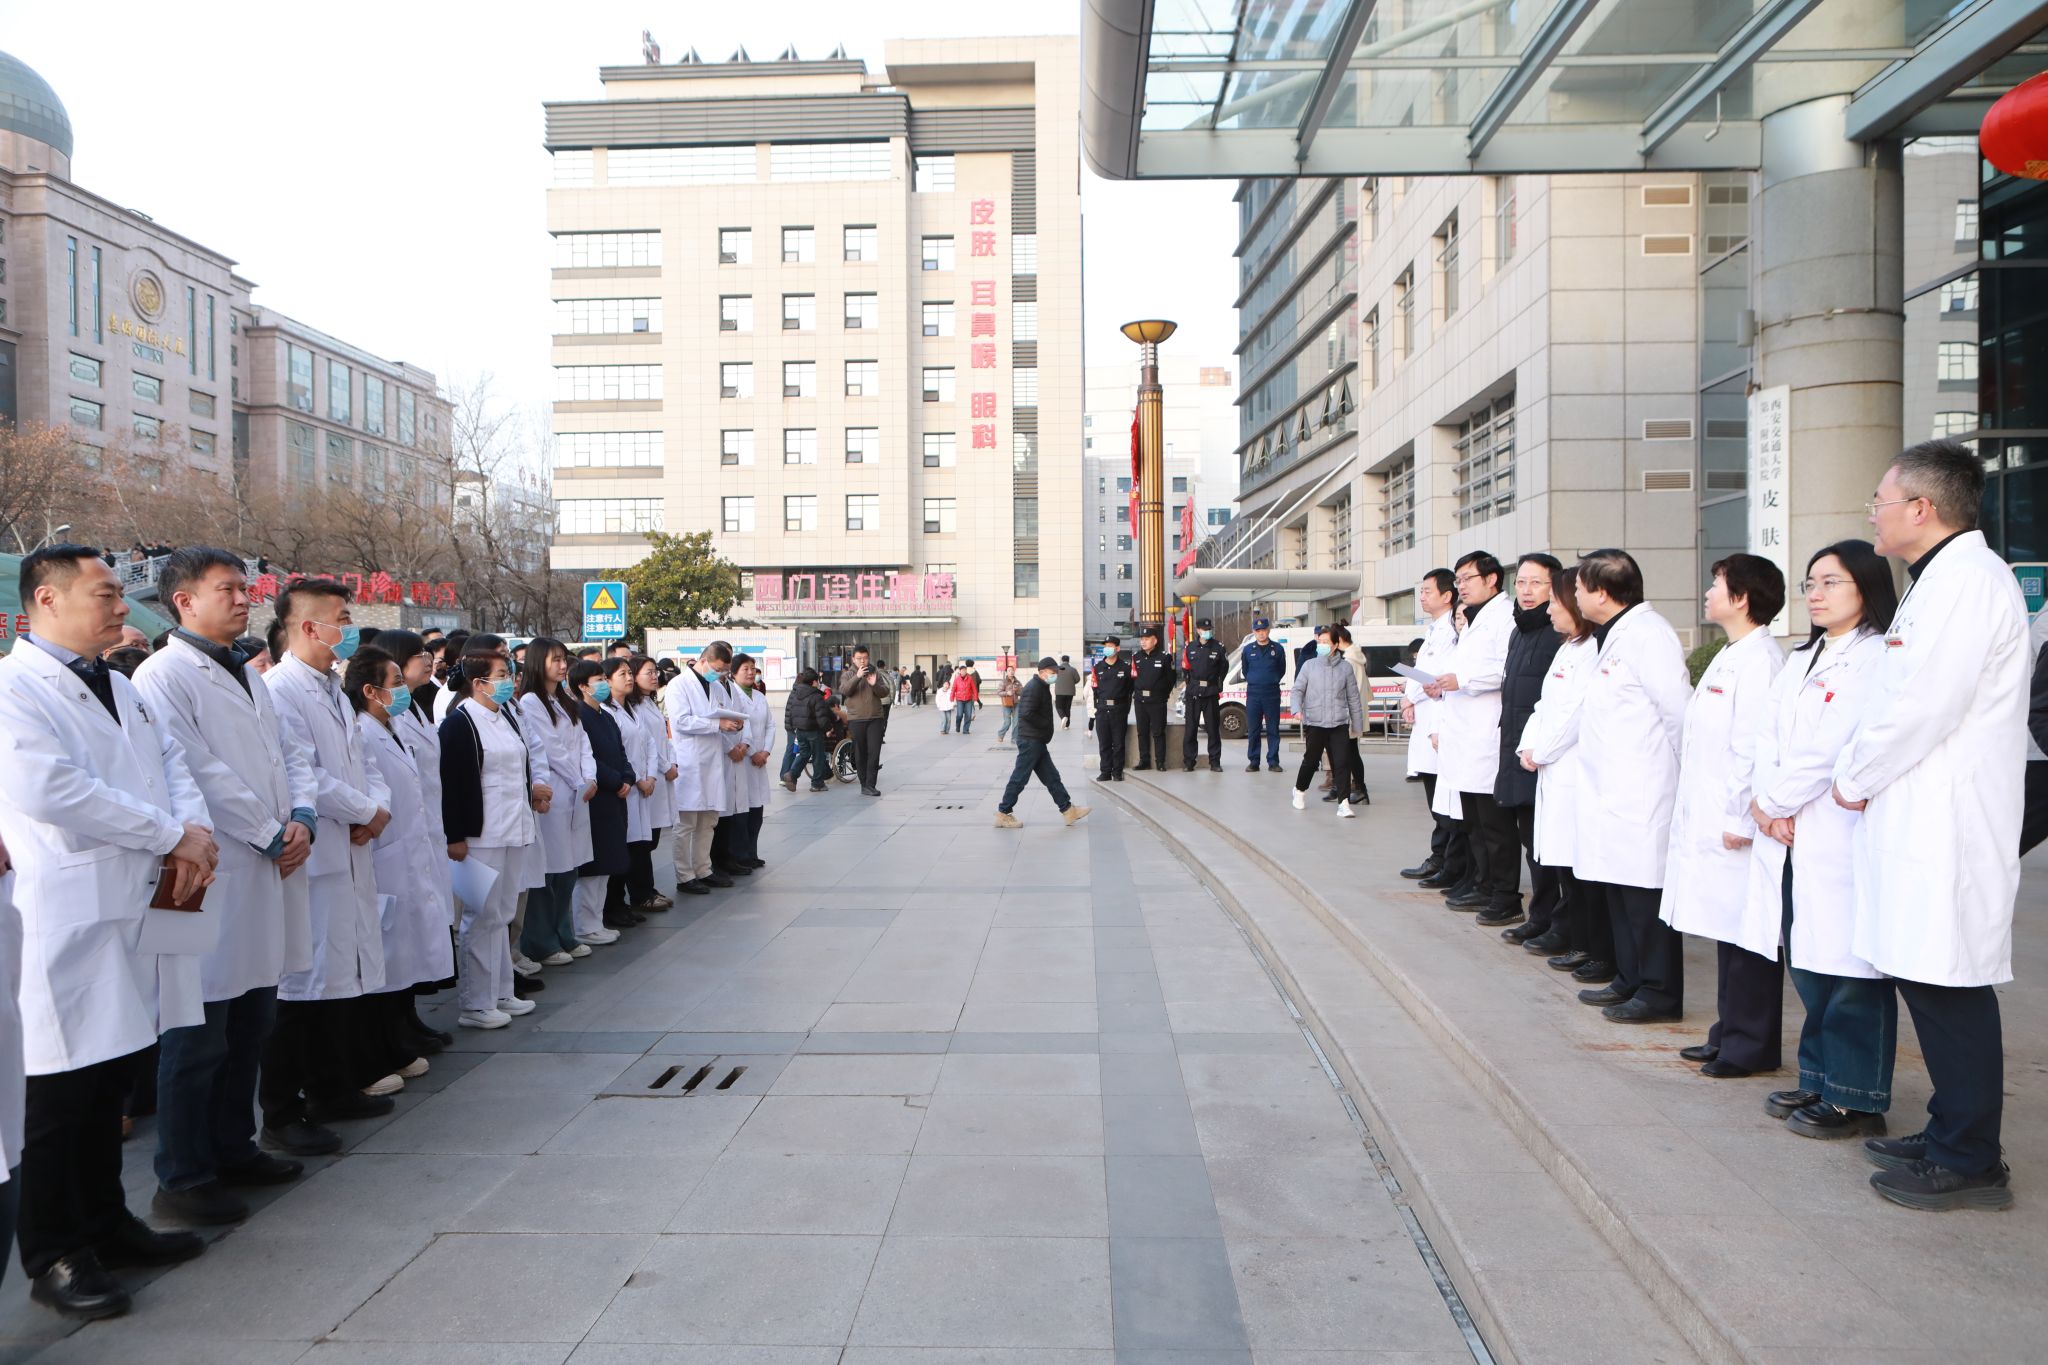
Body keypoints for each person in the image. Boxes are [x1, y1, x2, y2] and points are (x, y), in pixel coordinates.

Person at [0, 546, 218, 1318]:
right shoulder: (14, 688)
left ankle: (105, 1221)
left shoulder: (121, 684)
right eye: (105, 593)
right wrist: (168, 832)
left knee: (109, 1081)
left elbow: (172, 764)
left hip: (131, 905)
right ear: (47, 599)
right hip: (64, 914)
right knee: (57, 1096)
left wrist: (192, 828)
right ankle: (53, 1253)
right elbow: (51, 789)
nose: (123, 607)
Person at [1833, 440, 2027, 1210]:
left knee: (1950, 980)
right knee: (1927, 971)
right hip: (1919, 813)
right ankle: (1952, 1125)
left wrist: (1853, 778)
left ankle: (1970, 1156)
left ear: (1922, 508)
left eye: (1880, 502)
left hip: (1948, 821)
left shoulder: (1969, 582)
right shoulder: (1940, 580)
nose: (1872, 516)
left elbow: (1921, 706)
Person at [134, 549, 320, 1229]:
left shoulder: (246, 671)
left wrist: (302, 815)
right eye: (228, 589)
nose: (245, 598)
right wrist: (270, 831)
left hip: (265, 866)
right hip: (212, 870)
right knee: (197, 1034)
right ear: (184, 600)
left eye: (245, 588)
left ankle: (234, 1147)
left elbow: (287, 752)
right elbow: (197, 770)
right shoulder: (162, 675)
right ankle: (183, 1175)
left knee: (250, 1021)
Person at [1746, 542, 1898, 1136]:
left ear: (1866, 586)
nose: (1815, 593)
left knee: (1852, 974)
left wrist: (1773, 804)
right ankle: (1818, 1077)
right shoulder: (1803, 656)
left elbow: (1831, 747)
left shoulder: (1875, 656)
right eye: (1811, 583)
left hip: (1838, 830)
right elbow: (1767, 737)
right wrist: (1766, 805)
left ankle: (1857, 1097)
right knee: (1810, 964)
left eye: (1831, 582)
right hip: (1790, 828)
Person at [262, 580, 396, 1146]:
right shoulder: (279, 690)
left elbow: (365, 762)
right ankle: (282, 1111)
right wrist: (365, 809)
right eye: (341, 618)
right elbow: (303, 773)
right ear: (308, 627)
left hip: (351, 845)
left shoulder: (332, 689)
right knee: (302, 987)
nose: (348, 627)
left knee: (341, 977)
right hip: (316, 854)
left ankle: (332, 1086)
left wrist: (378, 808)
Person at [1661, 554, 1788, 1076]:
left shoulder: (1762, 662)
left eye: (1717, 584)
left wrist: (1739, 818)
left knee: (1750, 934)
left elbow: (1752, 749)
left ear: (1742, 598)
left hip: (1739, 822)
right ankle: (1727, 1032)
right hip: (1712, 814)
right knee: (1725, 929)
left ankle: (1750, 1046)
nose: (1710, 592)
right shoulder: (1730, 653)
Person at [1570, 549, 1693, 1025]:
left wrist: (1688, 777)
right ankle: (1630, 977)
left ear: (1602, 593)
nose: (1575, 595)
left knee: (1644, 897)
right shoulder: (1615, 636)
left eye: (1580, 587)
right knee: (1619, 892)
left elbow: (1678, 713)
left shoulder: (1650, 635)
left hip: (1643, 790)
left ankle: (1660, 992)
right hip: (1611, 790)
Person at [341, 648, 444, 1091]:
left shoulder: (392, 726)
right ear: (371, 690)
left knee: (403, 956)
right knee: (383, 960)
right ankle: (383, 1047)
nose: (403, 690)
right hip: (382, 857)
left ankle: (399, 1037)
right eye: (396, 682)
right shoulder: (362, 731)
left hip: (408, 853)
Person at [438, 639, 544, 1030]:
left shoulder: (506, 716)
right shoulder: (460, 722)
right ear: (478, 682)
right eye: (501, 675)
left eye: (509, 674)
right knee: (480, 917)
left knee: (501, 914)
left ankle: (501, 991)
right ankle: (475, 1003)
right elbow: (451, 783)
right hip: (480, 836)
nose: (509, 681)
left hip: (513, 828)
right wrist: (455, 835)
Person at [377, 630, 459, 1049]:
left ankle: (410, 1018)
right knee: (400, 939)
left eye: (427, 653)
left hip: (426, 831)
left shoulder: (414, 708)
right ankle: (396, 1025)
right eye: (416, 655)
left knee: (420, 935)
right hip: (399, 839)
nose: (427, 660)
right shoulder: (384, 717)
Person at [1516, 566, 1601, 968]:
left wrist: (1542, 751)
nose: (1549, 610)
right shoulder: (1568, 647)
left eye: (1555, 601)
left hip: (1571, 768)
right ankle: (1577, 939)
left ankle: (1586, 943)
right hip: (1551, 767)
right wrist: (1528, 746)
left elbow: (1576, 714)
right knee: (1562, 862)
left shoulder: (1593, 650)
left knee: (1579, 868)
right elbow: (1543, 705)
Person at [1427, 552, 1517, 917]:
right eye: (1459, 579)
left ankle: (1504, 894)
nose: (1461, 586)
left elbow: (1505, 670)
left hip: (1485, 735)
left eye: (1467, 578)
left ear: (1491, 579)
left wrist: (1462, 680)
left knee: (1494, 825)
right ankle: (1482, 884)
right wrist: (1443, 685)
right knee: (1474, 823)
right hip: (1464, 734)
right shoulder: (1473, 620)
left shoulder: (1504, 617)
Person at [1488, 555, 1565, 934]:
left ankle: (1549, 919)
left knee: (1545, 843)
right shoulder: (1519, 632)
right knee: (1527, 838)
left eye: (1537, 583)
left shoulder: (1558, 634)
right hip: (1515, 749)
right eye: (1521, 582)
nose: (1527, 591)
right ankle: (1540, 915)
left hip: (1543, 754)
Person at [517, 639, 597, 969]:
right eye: (555, 660)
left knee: (569, 870)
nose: (563, 666)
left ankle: (565, 932)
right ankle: (541, 941)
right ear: (539, 662)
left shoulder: (564, 699)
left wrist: (589, 777)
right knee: (548, 872)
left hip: (576, 792)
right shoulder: (531, 702)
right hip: (555, 792)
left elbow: (583, 743)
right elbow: (549, 748)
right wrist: (579, 780)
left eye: (564, 659)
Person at [667, 642, 747, 892]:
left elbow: (725, 714)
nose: (720, 674)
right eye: (717, 669)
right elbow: (681, 721)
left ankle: (703, 868)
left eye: (724, 671)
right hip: (690, 762)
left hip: (713, 762)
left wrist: (733, 725)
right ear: (703, 661)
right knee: (686, 823)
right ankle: (685, 875)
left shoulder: (715, 686)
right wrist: (717, 725)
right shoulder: (678, 685)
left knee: (708, 821)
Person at [1401, 570, 1464, 885]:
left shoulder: (1452, 630)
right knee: (1435, 798)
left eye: (1428, 591)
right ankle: (1440, 857)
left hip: (1439, 720)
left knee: (1446, 801)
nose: (1422, 597)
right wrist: (1409, 698)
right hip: (1426, 720)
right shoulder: (1434, 630)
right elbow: (1422, 673)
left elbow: (1438, 677)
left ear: (1447, 595)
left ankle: (1448, 862)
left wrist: (1411, 696)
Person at [570, 659, 631, 943]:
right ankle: (584, 925)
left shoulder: (606, 716)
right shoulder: (579, 715)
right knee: (593, 866)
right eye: (598, 681)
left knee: (607, 863)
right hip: (597, 797)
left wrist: (628, 776)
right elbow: (589, 757)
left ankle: (596, 921)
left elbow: (620, 751)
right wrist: (615, 781)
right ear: (583, 686)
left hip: (614, 797)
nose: (605, 685)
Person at [995, 657, 1092, 828]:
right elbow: (1026, 713)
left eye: (1056, 672)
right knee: (1019, 778)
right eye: (1052, 672)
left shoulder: (1042, 686)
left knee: (1051, 777)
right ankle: (1003, 813)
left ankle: (1068, 810)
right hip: (1030, 740)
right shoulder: (1034, 687)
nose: (1055, 675)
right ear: (1041, 672)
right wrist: (1045, 725)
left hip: (1037, 740)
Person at [1288, 622, 1363, 818]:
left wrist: (1357, 724)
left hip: (1339, 722)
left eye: (1326, 642)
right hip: (1315, 722)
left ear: (1336, 645)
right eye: (1319, 641)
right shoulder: (1309, 666)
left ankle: (1344, 803)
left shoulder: (1345, 668)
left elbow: (1353, 697)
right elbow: (1297, 690)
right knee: (1311, 761)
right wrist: (1296, 709)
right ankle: (1299, 790)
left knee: (1342, 762)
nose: (1321, 645)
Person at [625, 655, 678, 904]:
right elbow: (647, 746)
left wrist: (672, 762)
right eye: (648, 672)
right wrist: (666, 766)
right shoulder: (633, 707)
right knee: (641, 843)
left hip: (657, 777)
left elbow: (663, 739)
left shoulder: (648, 702)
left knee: (650, 839)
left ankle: (647, 890)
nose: (655, 676)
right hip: (647, 778)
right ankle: (641, 893)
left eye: (655, 671)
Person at [727, 654, 776, 867]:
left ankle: (751, 853)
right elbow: (740, 728)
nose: (750, 672)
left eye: (753, 668)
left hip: (759, 761)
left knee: (757, 810)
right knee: (741, 812)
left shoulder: (759, 696)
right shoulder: (731, 695)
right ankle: (740, 856)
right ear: (733, 672)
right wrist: (753, 752)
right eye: (745, 669)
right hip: (742, 759)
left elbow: (770, 725)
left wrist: (765, 752)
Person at [838, 645, 889, 796]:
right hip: (857, 719)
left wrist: (874, 685)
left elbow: (884, 692)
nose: (862, 661)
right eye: (859, 658)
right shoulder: (848, 675)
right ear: (853, 659)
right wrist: (858, 676)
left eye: (865, 658)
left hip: (875, 718)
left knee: (874, 752)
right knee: (860, 753)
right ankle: (864, 784)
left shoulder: (874, 672)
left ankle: (871, 785)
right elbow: (845, 690)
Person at [1179, 617, 1228, 772]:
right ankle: (1189, 762)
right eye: (1204, 630)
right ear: (1198, 630)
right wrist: (1190, 684)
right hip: (1193, 692)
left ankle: (1215, 762)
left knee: (1212, 729)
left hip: (1211, 692)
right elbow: (1185, 669)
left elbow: (1224, 668)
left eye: (1209, 629)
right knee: (1190, 730)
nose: (1207, 632)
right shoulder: (1190, 647)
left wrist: (1217, 684)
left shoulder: (1219, 647)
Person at [1239, 617, 1287, 773]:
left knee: (1273, 729)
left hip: (1271, 693)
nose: (1261, 633)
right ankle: (1254, 761)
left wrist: (1271, 680)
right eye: (1258, 631)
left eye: (1264, 630)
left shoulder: (1277, 649)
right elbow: (1245, 670)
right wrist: (1255, 680)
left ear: (1268, 630)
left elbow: (1281, 670)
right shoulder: (1248, 649)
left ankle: (1273, 761)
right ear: (1254, 632)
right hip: (1254, 694)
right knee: (1254, 729)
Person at [1129, 625, 1175, 770]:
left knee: (1158, 732)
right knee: (1142, 732)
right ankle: (1144, 761)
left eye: (1146, 639)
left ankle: (1160, 762)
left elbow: (1171, 679)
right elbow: (1132, 678)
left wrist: (1163, 694)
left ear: (1155, 640)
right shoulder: (1136, 657)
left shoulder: (1164, 657)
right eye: (1141, 639)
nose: (1143, 642)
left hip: (1157, 701)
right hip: (1140, 701)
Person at [782, 669, 835, 793]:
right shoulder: (816, 696)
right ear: (814, 682)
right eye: (817, 681)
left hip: (800, 730)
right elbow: (822, 717)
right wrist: (828, 728)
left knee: (804, 754)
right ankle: (817, 783)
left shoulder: (796, 694)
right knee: (818, 756)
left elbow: (791, 712)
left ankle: (792, 774)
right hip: (813, 731)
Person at [1091, 637, 1136, 783]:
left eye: (1110, 646)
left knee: (1118, 743)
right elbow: (1095, 689)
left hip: (1119, 710)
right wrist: (1097, 708)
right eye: (1106, 646)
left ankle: (1117, 772)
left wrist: (1124, 708)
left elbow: (1130, 689)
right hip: (1102, 710)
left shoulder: (1125, 667)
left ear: (1117, 648)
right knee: (1104, 743)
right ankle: (1105, 771)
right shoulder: (1098, 667)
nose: (1107, 649)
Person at [947, 658, 981, 735]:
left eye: (965, 670)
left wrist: (975, 697)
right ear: (960, 671)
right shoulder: (957, 679)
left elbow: (974, 688)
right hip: (960, 699)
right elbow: (954, 688)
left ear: (966, 671)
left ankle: (966, 729)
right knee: (959, 715)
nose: (964, 672)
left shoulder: (970, 678)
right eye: (962, 670)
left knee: (968, 715)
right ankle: (958, 725)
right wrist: (952, 697)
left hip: (969, 699)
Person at [995, 667, 1022, 745]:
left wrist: (1017, 691)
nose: (1011, 672)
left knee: (1016, 722)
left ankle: (1014, 739)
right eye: (1009, 670)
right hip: (1007, 704)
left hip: (1016, 704)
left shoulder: (1017, 682)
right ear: (1006, 672)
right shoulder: (1004, 682)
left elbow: (1022, 692)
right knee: (1007, 722)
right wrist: (1007, 693)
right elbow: (999, 692)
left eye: (1012, 670)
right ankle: (1001, 734)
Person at [1052, 656, 1079, 728]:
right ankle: (1067, 725)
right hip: (1070, 692)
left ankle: (1063, 717)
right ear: (1068, 660)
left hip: (1059, 692)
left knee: (1059, 707)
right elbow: (1077, 679)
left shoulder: (1057, 669)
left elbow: (1053, 679)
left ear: (1062, 660)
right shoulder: (1073, 669)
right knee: (1067, 708)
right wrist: (1071, 682)